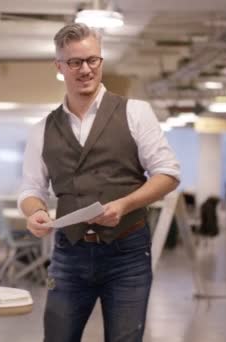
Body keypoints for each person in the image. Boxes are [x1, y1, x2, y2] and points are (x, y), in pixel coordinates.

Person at [18, 23, 180, 342]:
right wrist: (34, 212)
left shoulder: (136, 113)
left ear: (101, 61)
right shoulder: (42, 129)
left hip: (128, 253)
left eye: (93, 60)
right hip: (69, 252)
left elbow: (168, 173)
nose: (86, 70)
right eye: (75, 62)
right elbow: (31, 189)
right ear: (59, 67)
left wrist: (125, 204)